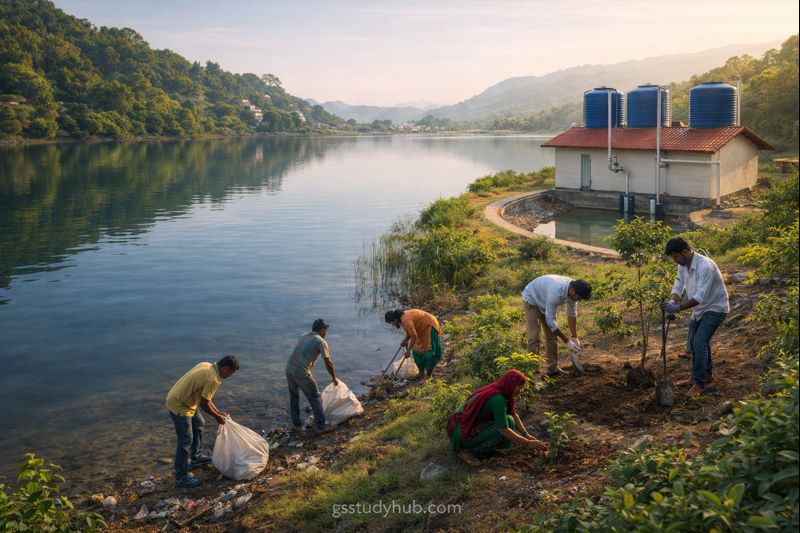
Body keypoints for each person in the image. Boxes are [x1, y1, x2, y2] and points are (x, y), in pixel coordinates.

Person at [662, 237, 729, 397]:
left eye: (676, 257)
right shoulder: (683, 264)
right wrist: (672, 300)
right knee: (695, 342)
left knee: (699, 342)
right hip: (699, 309)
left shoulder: (705, 266)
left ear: (685, 251)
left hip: (715, 307)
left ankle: (699, 383)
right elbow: (678, 286)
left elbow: (700, 297)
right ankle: (706, 375)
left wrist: (678, 308)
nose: (675, 260)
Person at [165, 355, 239, 488]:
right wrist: (217, 417)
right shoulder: (213, 379)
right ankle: (181, 477)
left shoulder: (207, 365)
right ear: (225, 368)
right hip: (180, 405)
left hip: (182, 399)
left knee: (199, 423)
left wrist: (218, 412)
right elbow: (204, 404)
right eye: (231, 372)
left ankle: (196, 457)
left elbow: (206, 398)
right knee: (185, 440)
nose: (231, 375)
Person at [448, 369, 548, 465]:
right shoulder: (498, 398)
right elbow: (503, 430)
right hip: (460, 431)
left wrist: (526, 435)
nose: (521, 390)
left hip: (468, 424)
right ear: (512, 385)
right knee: (500, 430)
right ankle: (466, 451)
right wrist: (527, 443)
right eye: (520, 387)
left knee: (509, 420)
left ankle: (484, 447)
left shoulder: (502, 389)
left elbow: (513, 414)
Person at [521, 275, 592, 375]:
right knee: (534, 337)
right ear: (572, 290)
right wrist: (567, 341)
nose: (578, 300)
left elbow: (571, 313)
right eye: (578, 298)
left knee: (552, 336)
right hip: (532, 299)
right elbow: (550, 321)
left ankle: (552, 368)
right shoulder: (556, 291)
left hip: (547, 301)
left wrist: (574, 337)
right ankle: (534, 373)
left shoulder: (574, 291)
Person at [285, 319, 338, 433]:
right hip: (302, 372)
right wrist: (334, 378)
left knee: (294, 397)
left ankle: (296, 424)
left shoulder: (303, 335)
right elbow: (328, 362)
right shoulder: (321, 341)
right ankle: (320, 426)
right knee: (315, 397)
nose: (326, 333)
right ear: (322, 330)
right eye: (326, 330)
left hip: (289, 368)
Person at [384, 309, 443, 382]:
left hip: (429, 325)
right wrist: (405, 340)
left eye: (391, 322)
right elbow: (410, 333)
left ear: (395, 319)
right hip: (420, 329)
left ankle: (428, 375)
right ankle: (421, 373)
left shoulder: (405, 320)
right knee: (416, 352)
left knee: (429, 352)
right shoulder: (401, 320)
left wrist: (408, 350)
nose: (392, 325)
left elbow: (414, 336)